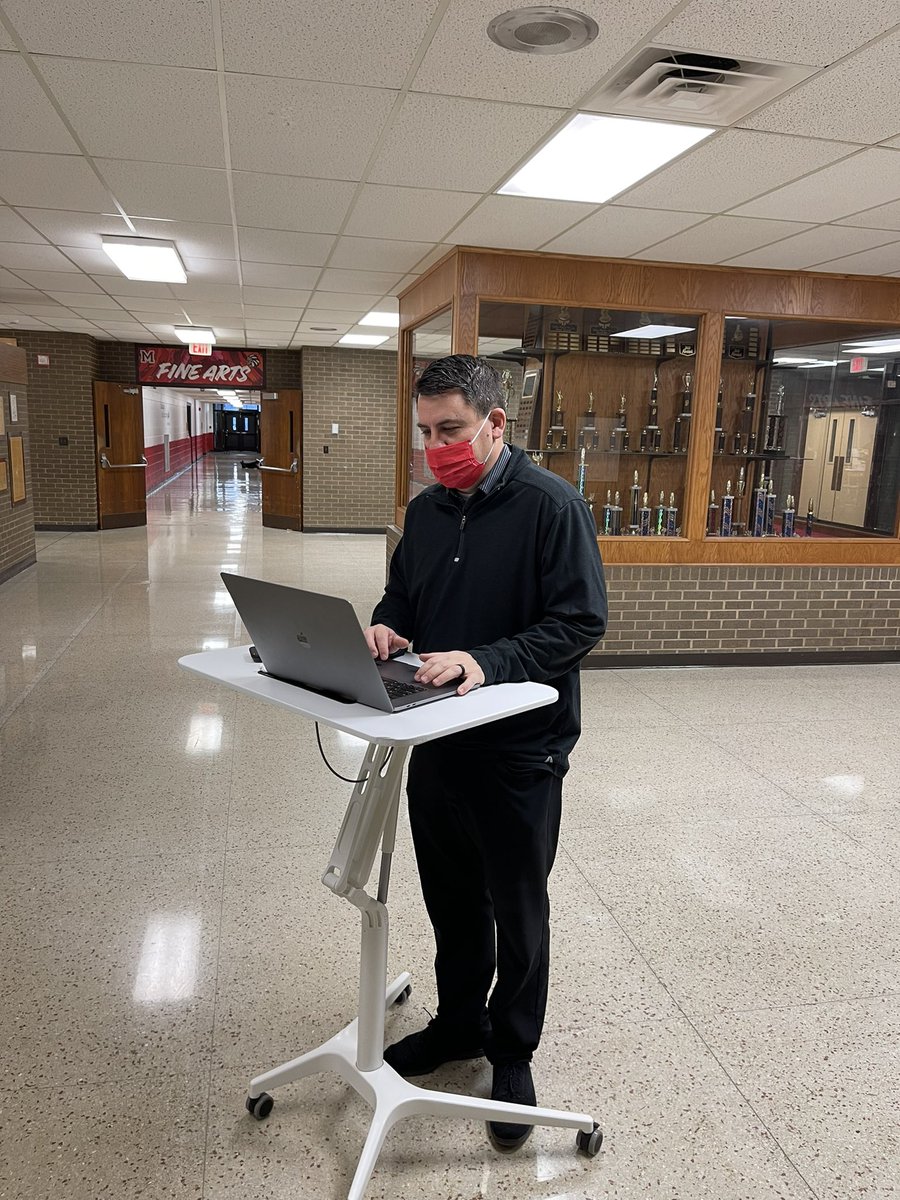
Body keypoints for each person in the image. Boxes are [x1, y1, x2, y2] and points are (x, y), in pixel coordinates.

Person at [364, 354, 607, 1152]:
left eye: (452, 430)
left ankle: (512, 1050)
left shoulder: (552, 507)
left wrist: (484, 660)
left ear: (496, 424)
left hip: (519, 756)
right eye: (426, 433)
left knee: (518, 908)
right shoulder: (427, 512)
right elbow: (405, 595)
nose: (437, 447)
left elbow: (578, 624)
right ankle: (460, 1024)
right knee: (453, 901)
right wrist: (386, 624)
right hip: (434, 741)